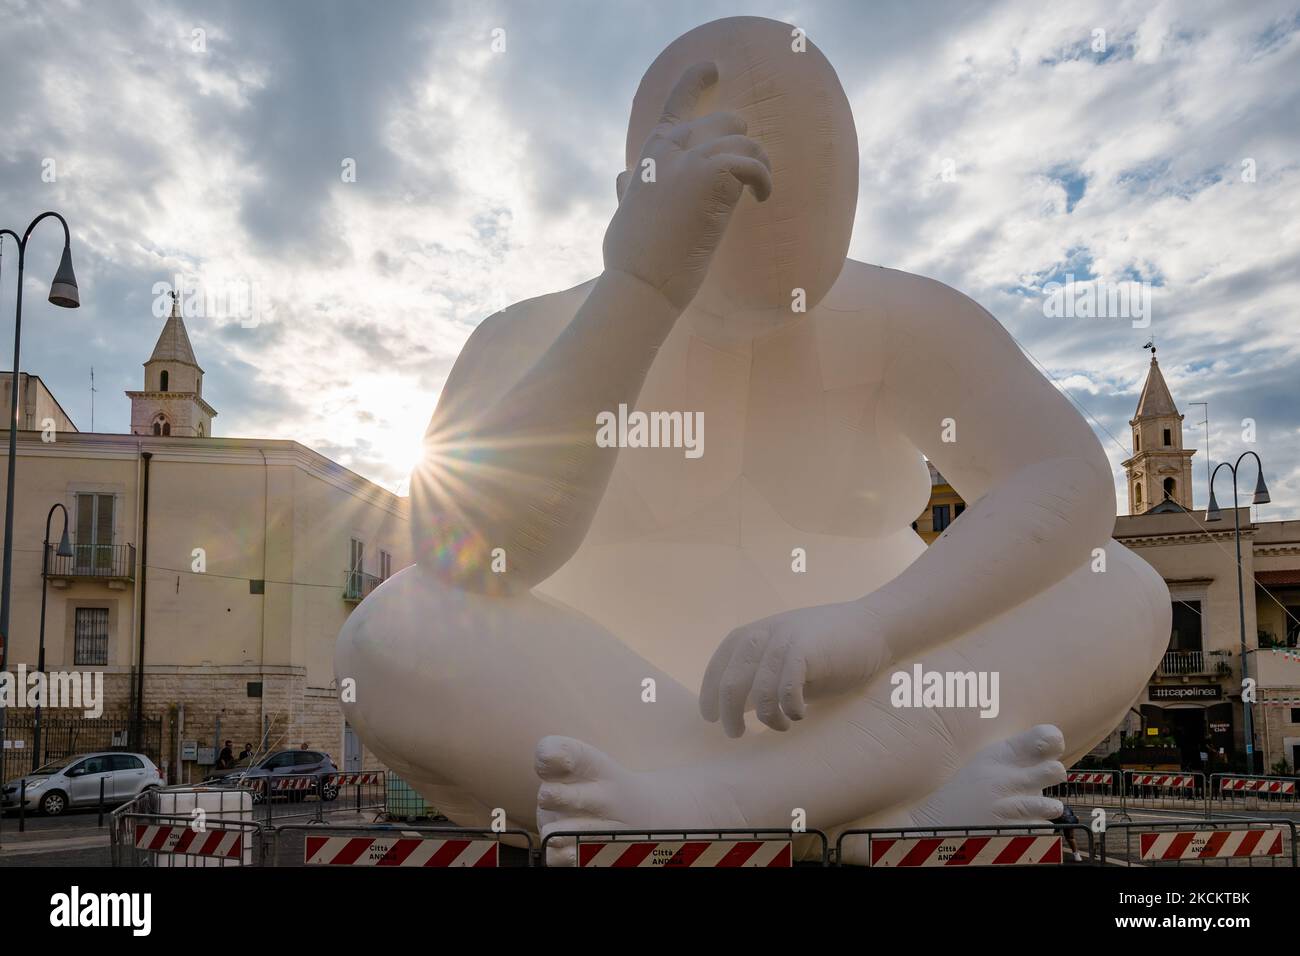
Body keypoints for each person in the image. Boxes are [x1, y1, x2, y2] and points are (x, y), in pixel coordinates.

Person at [337, 15, 1170, 865]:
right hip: (623, 722)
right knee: (391, 633)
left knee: (1123, 587)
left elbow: (1067, 480)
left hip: (876, 699)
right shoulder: (527, 335)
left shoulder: (903, 319)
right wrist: (639, 289)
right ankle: (862, 813)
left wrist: (875, 628)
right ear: (635, 193)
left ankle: (722, 808)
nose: (780, 295)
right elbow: (478, 552)